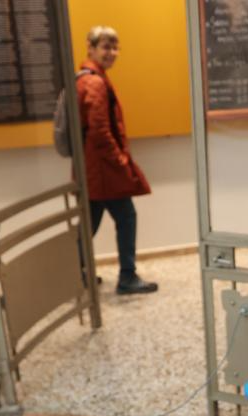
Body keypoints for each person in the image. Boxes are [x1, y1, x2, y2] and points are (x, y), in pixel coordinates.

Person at [77, 26, 157, 294]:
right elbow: (100, 131)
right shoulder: (95, 83)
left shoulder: (88, 78)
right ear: (91, 48)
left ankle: (75, 275)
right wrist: (120, 161)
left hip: (93, 169)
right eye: (105, 47)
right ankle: (127, 276)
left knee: (89, 223)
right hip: (104, 171)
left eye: (115, 47)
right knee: (126, 217)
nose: (111, 52)